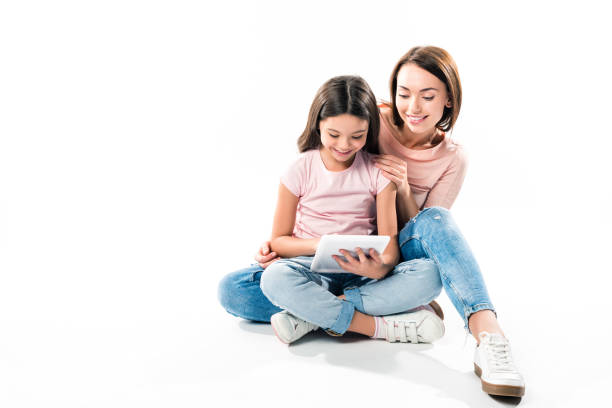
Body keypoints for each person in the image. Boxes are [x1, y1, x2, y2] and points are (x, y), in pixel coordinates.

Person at [218, 47, 525, 398]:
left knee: (434, 251)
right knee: (236, 289)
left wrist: (404, 191)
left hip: (386, 257)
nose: (413, 107)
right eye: (404, 94)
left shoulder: (451, 159)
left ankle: (489, 335)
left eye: (428, 96)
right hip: (326, 264)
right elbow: (287, 227)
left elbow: (429, 232)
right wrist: (281, 249)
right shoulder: (370, 121)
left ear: (449, 101)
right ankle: (372, 314)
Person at [258, 75, 445, 345]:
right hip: (310, 270)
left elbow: (390, 248)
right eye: (334, 135)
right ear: (317, 125)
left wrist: (380, 270)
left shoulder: (378, 173)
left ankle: (310, 315)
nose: (344, 145)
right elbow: (279, 241)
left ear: (369, 131)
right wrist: (322, 244)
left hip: (364, 276)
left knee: (430, 275)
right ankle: (376, 325)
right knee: (263, 281)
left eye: (357, 136)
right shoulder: (300, 169)